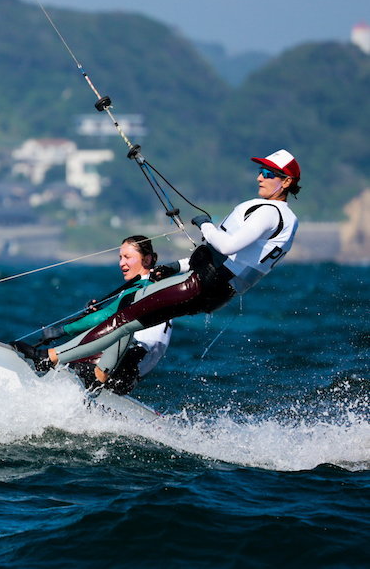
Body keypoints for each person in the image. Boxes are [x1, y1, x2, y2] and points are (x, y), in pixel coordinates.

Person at [43, 148, 301, 369]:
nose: (259, 177)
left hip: (204, 283)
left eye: (268, 174)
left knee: (125, 315)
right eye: (260, 171)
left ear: (286, 182)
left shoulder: (269, 212)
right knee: (130, 321)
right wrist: (174, 267)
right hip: (217, 290)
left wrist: (205, 225)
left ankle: (50, 358)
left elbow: (226, 245)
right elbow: (231, 258)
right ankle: (98, 375)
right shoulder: (288, 221)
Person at [16, 235, 172, 395]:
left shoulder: (142, 287)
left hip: (118, 367)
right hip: (129, 377)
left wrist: (60, 331)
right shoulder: (159, 287)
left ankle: (43, 363)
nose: (121, 263)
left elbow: (107, 316)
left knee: (67, 359)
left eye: (127, 257)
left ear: (146, 260)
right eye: (120, 258)